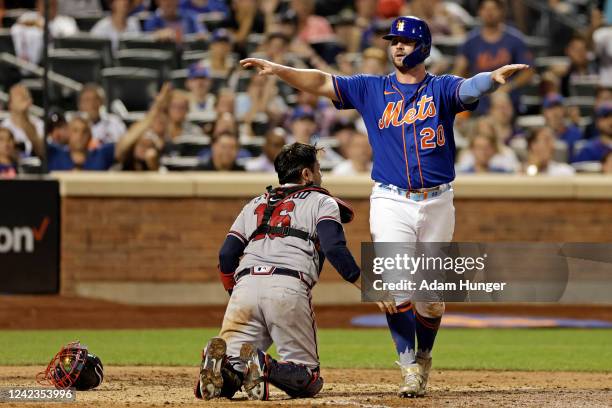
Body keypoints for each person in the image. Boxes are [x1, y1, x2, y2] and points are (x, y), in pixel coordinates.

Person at [240, 15, 528, 398]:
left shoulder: (440, 88)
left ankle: (424, 356)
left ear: (422, 46)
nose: (397, 46)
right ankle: (408, 365)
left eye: (405, 41)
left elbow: (468, 88)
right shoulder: (371, 88)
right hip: (391, 198)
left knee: (431, 300)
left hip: (438, 200)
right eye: (394, 41)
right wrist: (279, 70)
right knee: (394, 285)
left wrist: (491, 78)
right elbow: (321, 80)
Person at [195, 142, 361, 401]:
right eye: (317, 169)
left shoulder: (254, 204)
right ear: (306, 174)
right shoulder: (322, 201)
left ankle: (223, 370)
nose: (320, 175)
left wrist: (235, 293)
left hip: (245, 286)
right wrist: (366, 283)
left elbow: (226, 255)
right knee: (309, 377)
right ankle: (266, 366)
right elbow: (334, 248)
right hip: (287, 285)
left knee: (236, 368)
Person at [453, 0, 533, 114]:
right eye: (485, 9)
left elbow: (528, 72)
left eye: (493, 9)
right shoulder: (470, 42)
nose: (489, 13)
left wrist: (508, 87)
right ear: (479, 12)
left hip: (509, 101)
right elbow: (458, 72)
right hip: (479, 103)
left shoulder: (515, 39)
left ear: (502, 11)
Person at [10, 0, 77, 66]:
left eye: (51, 5)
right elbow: (17, 27)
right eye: (45, 5)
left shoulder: (66, 22)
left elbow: (69, 38)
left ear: (56, 6)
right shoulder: (28, 17)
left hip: (56, 64)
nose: (48, 9)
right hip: (36, 62)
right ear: (37, 5)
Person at [0, 84, 45, 159]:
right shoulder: (3, 127)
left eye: (25, 95)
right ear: (10, 104)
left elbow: (43, 151)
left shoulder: (39, 125)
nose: (22, 96)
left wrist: (24, 119)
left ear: (30, 101)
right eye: (18, 95)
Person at [541, 94, 582, 159]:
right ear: (544, 112)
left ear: (564, 110)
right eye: (550, 108)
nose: (555, 112)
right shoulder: (539, 135)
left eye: (558, 107)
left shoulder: (575, 133)